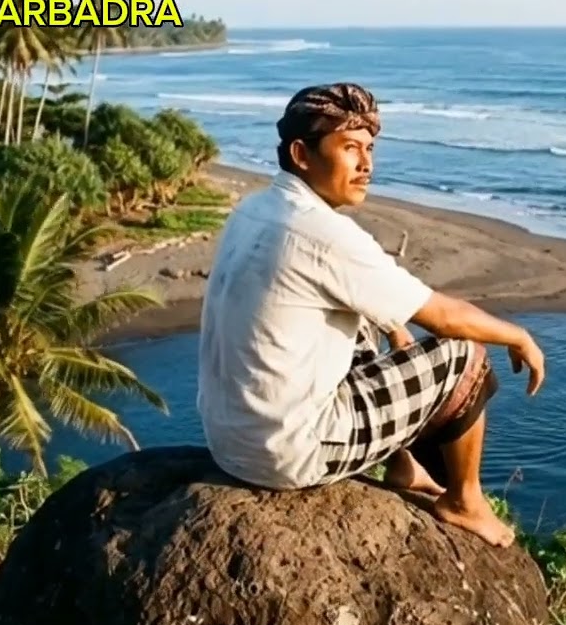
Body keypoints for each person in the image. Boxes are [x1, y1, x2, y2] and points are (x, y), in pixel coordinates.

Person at [195, 82, 545, 548]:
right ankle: (464, 501)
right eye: (350, 148)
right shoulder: (323, 233)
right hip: (290, 452)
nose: (367, 165)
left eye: (369, 149)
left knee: (372, 320)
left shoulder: (255, 208)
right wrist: (517, 335)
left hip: (230, 440)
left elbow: (391, 315)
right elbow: (442, 316)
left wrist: (396, 333)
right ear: (302, 154)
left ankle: (402, 465)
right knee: (465, 353)